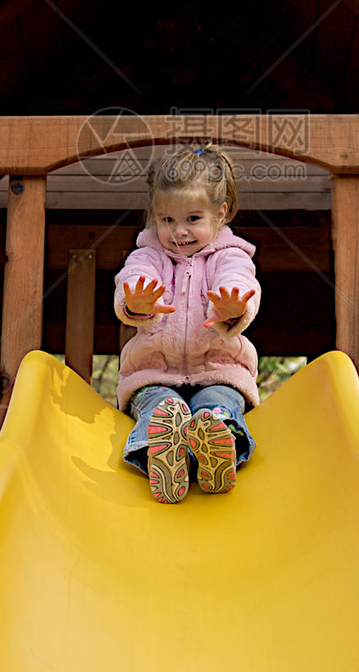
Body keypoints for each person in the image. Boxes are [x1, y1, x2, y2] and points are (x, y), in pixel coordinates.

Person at [114, 144, 260, 504]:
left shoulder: (230, 257)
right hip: (154, 374)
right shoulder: (147, 256)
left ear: (220, 214)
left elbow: (240, 281)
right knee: (161, 408)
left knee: (217, 405)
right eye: (167, 220)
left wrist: (231, 304)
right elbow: (133, 277)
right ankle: (165, 455)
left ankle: (214, 450)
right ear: (155, 217)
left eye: (192, 219)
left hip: (219, 370)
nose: (178, 232)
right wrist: (135, 301)